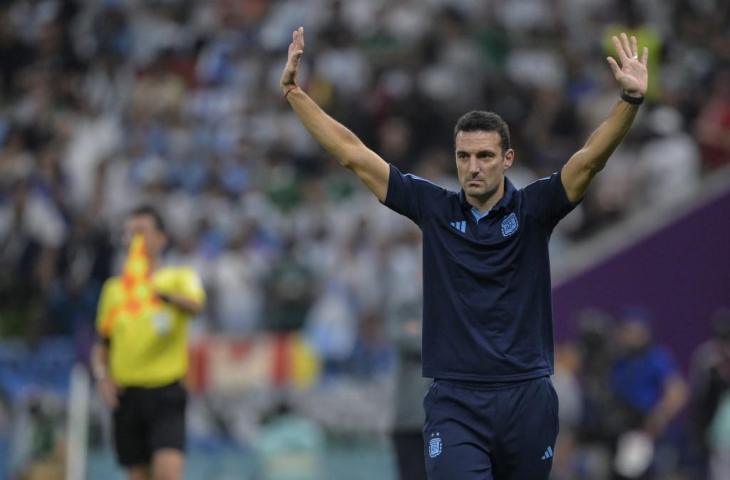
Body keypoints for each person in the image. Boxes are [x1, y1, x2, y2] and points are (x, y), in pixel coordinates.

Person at [280, 27, 649, 480]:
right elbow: (353, 155)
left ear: (507, 158)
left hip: (526, 397)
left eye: (485, 156)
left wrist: (628, 102)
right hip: (455, 401)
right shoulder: (433, 208)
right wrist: (296, 94)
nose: (473, 167)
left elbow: (590, 158)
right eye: (464, 156)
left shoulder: (535, 209)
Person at [91, 205, 205, 480]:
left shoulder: (178, 278)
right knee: (137, 475)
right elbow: (103, 345)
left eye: (141, 231)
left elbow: (195, 306)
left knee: (167, 472)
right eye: (130, 232)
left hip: (165, 391)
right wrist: (103, 377)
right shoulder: (114, 290)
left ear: (161, 238)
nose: (135, 239)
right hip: (128, 396)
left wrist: (162, 294)